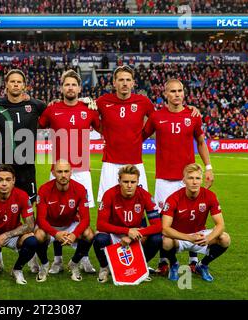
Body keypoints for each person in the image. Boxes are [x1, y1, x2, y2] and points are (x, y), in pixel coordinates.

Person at [95, 66, 201, 200]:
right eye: (121, 80)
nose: (125, 83)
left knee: (139, 203)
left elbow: (162, 117)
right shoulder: (103, 101)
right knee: (107, 203)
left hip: (136, 162)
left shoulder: (143, 102)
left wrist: (186, 109)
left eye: (128, 80)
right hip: (110, 163)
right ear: (114, 83)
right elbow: (87, 115)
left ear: (133, 83)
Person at [142, 78, 214, 274]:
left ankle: (193, 259)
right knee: (164, 223)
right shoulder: (156, 117)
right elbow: (139, 137)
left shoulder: (193, 115)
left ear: (184, 93)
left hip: (188, 179)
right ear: (165, 94)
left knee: (194, 218)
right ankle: (165, 261)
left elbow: (200, 141)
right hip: (164, 180)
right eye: (172, 91)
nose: (177, 94)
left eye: (180, 91)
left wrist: (208, 167)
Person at [0, 69, 46, 273]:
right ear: (6, 85)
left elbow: (57, 112)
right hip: (2, 166)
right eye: (12, 81)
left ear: (24, 85)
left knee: (30, 208)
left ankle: (32, 255)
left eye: (20, 82)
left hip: (27, 168)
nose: (16, 85)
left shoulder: (35, 105)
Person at [38, 69, 100, 274]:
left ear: (80, 88)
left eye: (74, 85)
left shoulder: (88, 109)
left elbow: (104, 127)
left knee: (84, 215)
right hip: (57, 169)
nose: (70, 88)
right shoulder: (52, 109)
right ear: (61, 88)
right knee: (55, 215)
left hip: (82, 170)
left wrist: (93, 103)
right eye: (67, 85)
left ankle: (81, 259)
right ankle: (56, 260)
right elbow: (36, 121)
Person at [93, 165, 162, 283]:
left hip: (135, 235)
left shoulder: (144, 195)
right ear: (119, 181)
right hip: (114, 234)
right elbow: (100, 224)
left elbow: (158, 226)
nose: (129, 185)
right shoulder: (109, 194)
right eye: (125, 182)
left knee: (157, 238)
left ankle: (141, 267)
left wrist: (137, 233)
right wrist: (127, 231)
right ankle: (105, 268)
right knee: (99, 238)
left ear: (138, 181)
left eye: (133, 182)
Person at [162, 164, 230, 282]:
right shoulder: (173, 198)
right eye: (190, 178)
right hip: (180, 236)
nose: (194, 182)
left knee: (225, 238)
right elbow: (165, 229)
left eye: (197, 178)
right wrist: (188, 238)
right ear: (184, 180)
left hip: (200, 235)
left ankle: (202, 265)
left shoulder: (210, 196)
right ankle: (174, 264)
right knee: (166, 241)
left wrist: (208, 238)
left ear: (201, 180)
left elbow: (220, 225)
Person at [34, 160, 94, 282]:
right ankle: (45, 264)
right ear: (53, 173)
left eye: (66, 171)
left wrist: (74, 234)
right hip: (50, 225)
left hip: (70, 225)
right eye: (59, 171)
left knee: (89, 234)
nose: (63, 175)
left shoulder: (80, 189)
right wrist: (55, 233)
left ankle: (74, 263)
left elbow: (86, 219)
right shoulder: (44, 189)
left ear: (71, 172)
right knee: (38, 235)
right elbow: (40, 219)